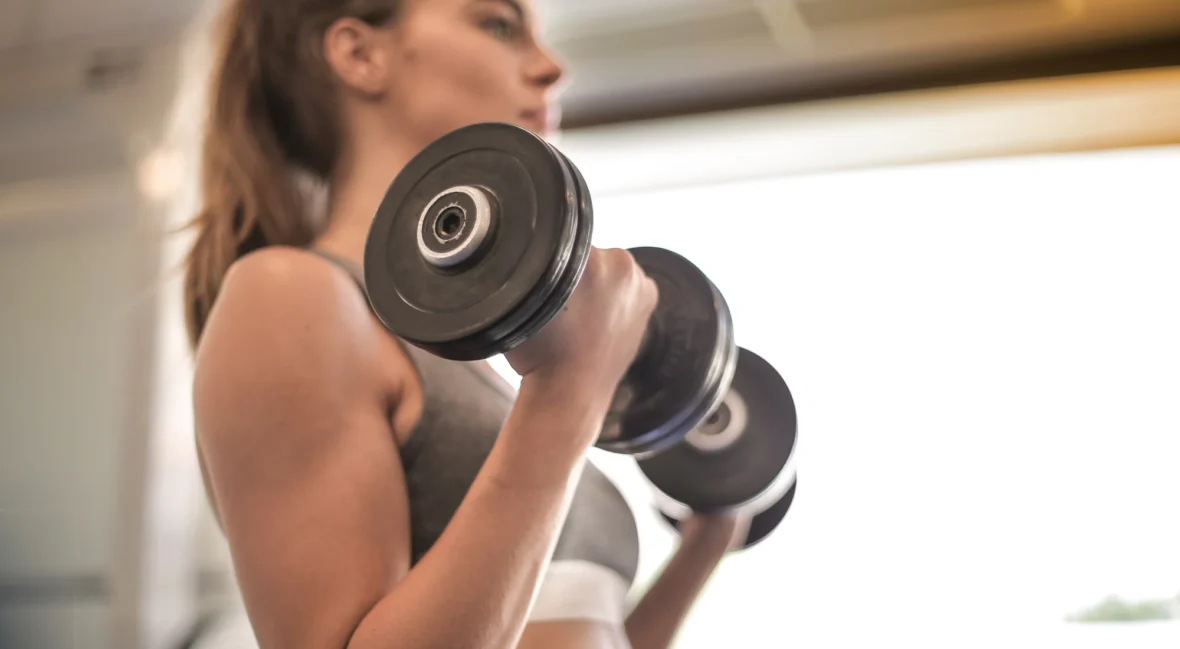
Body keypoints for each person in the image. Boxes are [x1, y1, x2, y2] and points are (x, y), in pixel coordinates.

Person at [185, 1, 744, 648]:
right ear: (361, 56)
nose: (551, 68)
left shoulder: (489, 364)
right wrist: (570, 392)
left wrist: (708, 539)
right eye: (498, 24)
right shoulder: (291, 295)